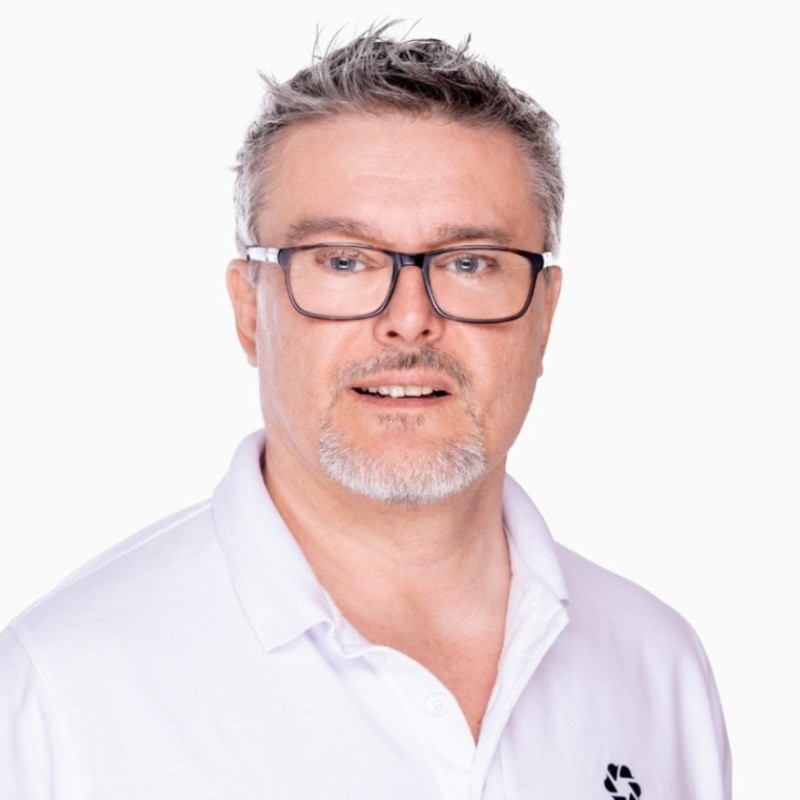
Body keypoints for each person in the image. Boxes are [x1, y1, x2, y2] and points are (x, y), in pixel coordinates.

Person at [0, 25, 730, 799]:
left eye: (470, 262)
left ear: (544, 316)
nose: (410, 320)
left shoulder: (657, 668)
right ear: (249, 310)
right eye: (345, 260)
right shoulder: (63, 695)